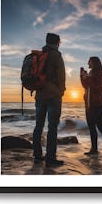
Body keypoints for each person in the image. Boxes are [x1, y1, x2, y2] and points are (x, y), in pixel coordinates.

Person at [33, 32, 66, 167]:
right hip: (53, 96)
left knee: (38, 125)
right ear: (57, 42)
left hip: (40, 95)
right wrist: (61, 91)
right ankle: (50, 158)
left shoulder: (40, 55)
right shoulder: (56, 55)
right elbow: (61, 75)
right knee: (52, 127)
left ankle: (37, 155)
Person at [80, 57, 102, 156]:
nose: (87, 63)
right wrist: (82, 76)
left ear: (94, 62)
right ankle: (94, 149)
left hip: (98, 103)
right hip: (89, 103)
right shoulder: (91, 73)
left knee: (99, 125)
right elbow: (86, 86)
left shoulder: (100, 73)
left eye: (89, 61)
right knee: (91, 126)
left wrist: (88, 77)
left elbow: (97, 87)